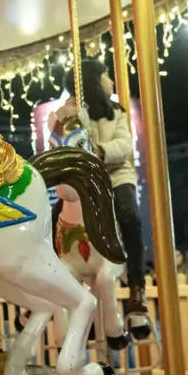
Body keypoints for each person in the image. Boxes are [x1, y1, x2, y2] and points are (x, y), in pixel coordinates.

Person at [50, 57, 149, 324]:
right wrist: (68, 114)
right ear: (94, 80)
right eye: (106, 75)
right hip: (85, 182)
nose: (111, 81)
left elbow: (124, 146)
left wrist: (98, 151)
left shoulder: (116, 112)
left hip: (115, 177)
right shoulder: (68, 113)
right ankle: (47, 286)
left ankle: (137, 287)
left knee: (130, 217)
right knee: (52, 218)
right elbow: (58, 136)